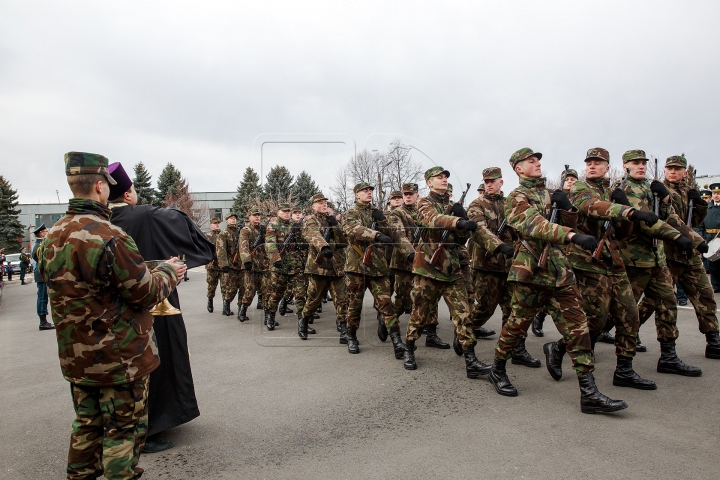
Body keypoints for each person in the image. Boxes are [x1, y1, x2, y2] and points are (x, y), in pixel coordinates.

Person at [38, 151, 186, 479]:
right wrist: (169, 272)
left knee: (86, 429)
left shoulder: (51, 237)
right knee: (123, 432)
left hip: (77, 358)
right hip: (119, 359)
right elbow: (145, 293)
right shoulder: (110, 237)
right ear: (101, 187)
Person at [488, 148, 627, 414]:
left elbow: (572, 220)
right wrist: (572, 236)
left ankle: (589, 393)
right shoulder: (517, 197)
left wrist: (567, 207)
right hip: (531, 271)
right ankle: (497, 369)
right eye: (531, 161)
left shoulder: (550, 193)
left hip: (560, 271)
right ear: (518, 168)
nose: (537, 163)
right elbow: (534, 225)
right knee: (516, 326)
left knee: (578, 329)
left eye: (538, 160)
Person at [107, 161, 214, 452]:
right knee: (156, 359)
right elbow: (192, 238)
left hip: (113, 308)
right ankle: (152, 424)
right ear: (128, 194)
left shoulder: (98, 222)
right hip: (154, 298)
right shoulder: (144, 216)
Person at [553, 147, 657, 390]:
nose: (592, 166)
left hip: (613, 261)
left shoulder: (613, 192)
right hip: (587, 261)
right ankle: (558, 347)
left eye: (598, 163)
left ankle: (624, 370)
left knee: (630, 316)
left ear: (607, 168)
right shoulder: (580, 188)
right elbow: (591, 207)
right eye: (589, 162)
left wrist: (624, 217)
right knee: (595, 321)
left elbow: (622, 234)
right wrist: (629, 211)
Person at [614, 150, 704, 376]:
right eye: (636, 163)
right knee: (623, 314)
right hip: (633, 260)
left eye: (643, 163)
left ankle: (668, 357)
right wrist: (677, 237)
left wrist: (665, 201)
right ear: (625, 165)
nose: (641, 166)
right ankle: (564, 347)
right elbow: (646, 222)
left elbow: (669, 217)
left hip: (657, 258)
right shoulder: (624, 188)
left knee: (667, 303)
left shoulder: (649, 186)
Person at [403, 167, 493, 378]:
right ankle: (409, 347)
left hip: (452, 269)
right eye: (439, 177)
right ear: (429, 182)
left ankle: (471, 360)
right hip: (428, 269)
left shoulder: (452, 206)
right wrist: (457, 221)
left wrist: (464, 228)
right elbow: (432, 220)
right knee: (420, 314)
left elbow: (459, 241)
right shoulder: (424, 203)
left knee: (463, 314)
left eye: (445, 177)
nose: (443, 180)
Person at [635, 156, 719, 359]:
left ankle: (713, 340)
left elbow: (694, 220)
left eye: (677, 169)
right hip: (668, 254)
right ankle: (631, 330)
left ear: (685, 172)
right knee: (656, 300)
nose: (672, 172)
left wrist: (699, 203)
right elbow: (669, 220)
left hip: (689, 253)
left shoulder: (687, 191)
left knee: (705, 295)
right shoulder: (658, 191)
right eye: (669, 168)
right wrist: (696, 239)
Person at [342, 182, 412, 357]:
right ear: (357, 194)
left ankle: (397, 341)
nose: (368, 193)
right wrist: (376, 234)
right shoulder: (351, 213)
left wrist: (381, 219)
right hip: (357, 266)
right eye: (364, 191)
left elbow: (394, 233)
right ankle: (351, 336)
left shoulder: (377, 213)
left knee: (386, 305)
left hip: (378, 267)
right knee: (354, 305)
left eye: (370, 191)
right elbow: (354, 229)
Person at [466, 167, 518, 346]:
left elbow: (519, 228)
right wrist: (499, 246)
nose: (489, 184)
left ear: (500, 182)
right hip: (487, 265)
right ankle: (465, 334)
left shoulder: (509, 204)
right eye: (486, 182)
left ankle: (514, 348)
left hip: (510, 266)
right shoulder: (476, 205)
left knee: (513, 310)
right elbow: (479, 230)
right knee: (483, 309)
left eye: (492, 181)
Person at [299, 193, 347, 340]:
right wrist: (323, 246)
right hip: (319, 266)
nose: (323, 204)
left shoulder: (332, 220)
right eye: (320, 202)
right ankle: (304, 321)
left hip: (336, 266)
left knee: (342, 299)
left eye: (325, 202)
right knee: (314, 299)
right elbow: (312, 235)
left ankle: (345, 330)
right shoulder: (310, 220)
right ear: (313, 206)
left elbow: (342, 242)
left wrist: (335, 226)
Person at [264, 203, 302, 330]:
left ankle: (303, 323)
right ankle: (271, 317)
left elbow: (302, 245)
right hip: (279, 266)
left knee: (301, 295)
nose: (286, 213)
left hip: (296, 266)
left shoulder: (295, 226)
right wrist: (275, 259)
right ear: (278, 212)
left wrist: (298, 234)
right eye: (284, 211)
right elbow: (270, 243)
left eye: (288, 211)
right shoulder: (273, 226)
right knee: (276, 293)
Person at [239, 207, 270, 318]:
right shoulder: (246, 230)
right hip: (251, 265)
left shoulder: (264, 229)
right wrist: (246, 261)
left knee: (267, 290)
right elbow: (244, 247)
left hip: (264, 264)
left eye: (258, 215)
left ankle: (268, 316)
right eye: (254, 215)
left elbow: (270, 244)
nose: (257, 217)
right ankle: (243, 310)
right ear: (250, 217)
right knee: (250, 290)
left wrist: (264, 235)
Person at [217, 213, 245, 318]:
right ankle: (226, 306)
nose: (233, 220)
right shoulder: (223, 233)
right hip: (230, 265)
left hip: (241, 265)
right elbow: (221, 250)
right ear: (226, 220)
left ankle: (241, 310)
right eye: (231, 219)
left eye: (234, 218)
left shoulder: (240, 232)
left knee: (243, 287)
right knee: (231, 288)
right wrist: (224, 265)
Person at [31, 224, 54, 330]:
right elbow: (43, 261)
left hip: (42, 273)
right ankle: (43, 322)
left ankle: (44, 321)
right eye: (46, 231)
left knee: (43, 297)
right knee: (42, 298)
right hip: (42, 274)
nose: (47, 233)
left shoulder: (41, 244)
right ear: (41, 233)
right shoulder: (40, 246)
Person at [698, 183, 720, 292]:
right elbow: (700, 224)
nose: (716, 196)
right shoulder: (707, 208)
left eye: (718, 194)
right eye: (715, 193)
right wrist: (702, 238)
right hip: (710, 238)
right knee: (712, 266)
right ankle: (716, 286)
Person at [204, 217, 223, 313]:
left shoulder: (222, 234)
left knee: (225, 286)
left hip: (223, 264)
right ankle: (210, 301)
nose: (217, 224)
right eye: (215, 223)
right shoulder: (207, 236)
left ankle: (225, 306)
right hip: (211, 265)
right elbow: (204, 249)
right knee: (212, 285)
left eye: (218, 223)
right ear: (211, 225)